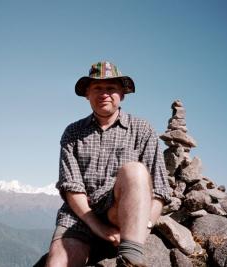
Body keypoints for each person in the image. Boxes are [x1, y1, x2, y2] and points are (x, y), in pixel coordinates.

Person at [45, 61, 171, 267]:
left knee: (136, 171)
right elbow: (71, 187)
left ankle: (130, 259)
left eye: (111, 88)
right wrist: (98, 228)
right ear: (87, 94)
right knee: (56, 264)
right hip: (80, 216)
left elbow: (159, 190)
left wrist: (145, 225)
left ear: (122, 94)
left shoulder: (142, 129)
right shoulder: (73, 132)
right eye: (97, 88)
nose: (104, 93)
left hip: (120, 210)